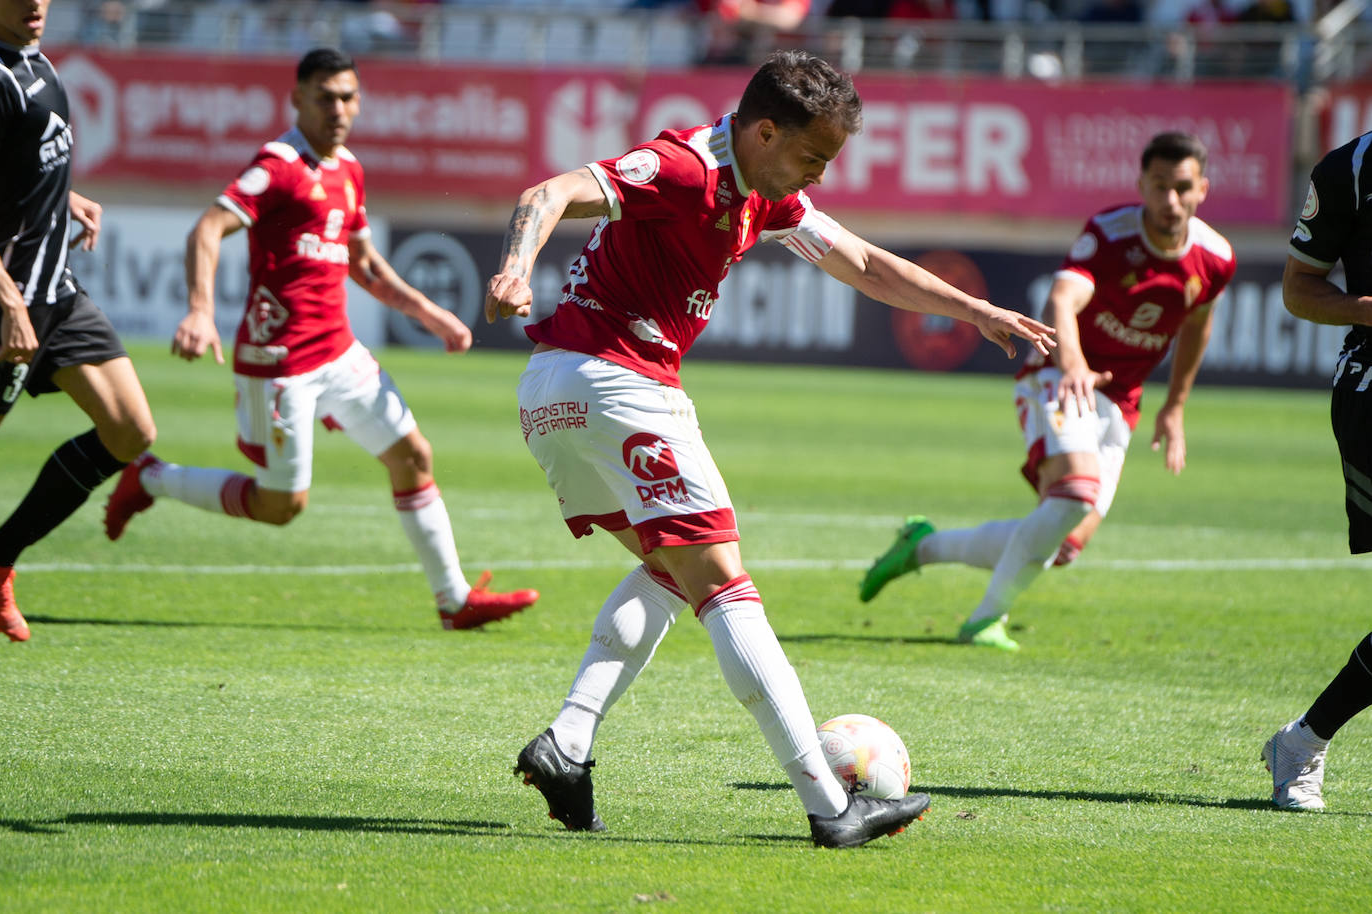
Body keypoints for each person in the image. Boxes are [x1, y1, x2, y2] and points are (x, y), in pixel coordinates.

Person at [484, 49, 1055, 847]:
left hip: (556, 395)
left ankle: (567, 746)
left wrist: (974, 309)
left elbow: (859, 260)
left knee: (672, 571)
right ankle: (832, 806)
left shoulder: (765, 196)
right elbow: (548, 192)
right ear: (761, 132)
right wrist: (515, 270)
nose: (818, 176)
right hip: (617, 383)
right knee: (722, 583)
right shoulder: (683, 167)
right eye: (813, 157)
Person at [102, 47, 537, 631]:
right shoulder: (278, 165)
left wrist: (432, 316)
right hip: (280, 364)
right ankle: (151, 476)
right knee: (282, 507)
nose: (339, 108)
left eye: (348, 96)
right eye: (326, 96)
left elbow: (365, 265)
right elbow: (208, 227)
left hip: (339, 352)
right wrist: (200, 310)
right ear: (298, 99)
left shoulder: (348, 169)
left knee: (413, 456)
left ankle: (454, 600)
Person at [859, 131, 1236, 651]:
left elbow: (1197, 326)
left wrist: (1174, 405)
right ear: (1140, 185)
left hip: (1120, 401)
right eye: (1158, 186)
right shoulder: (1110, 233)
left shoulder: (1216, 258)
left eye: (1182, 187)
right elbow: (1063, 297)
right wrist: (1074, 363)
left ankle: (920, 547)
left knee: (1061, 544)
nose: (1170, 200)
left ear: (1202, 190)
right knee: (1075, 495)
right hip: (1056, 376)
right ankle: (984, 622)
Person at [0, 0, 157, 643]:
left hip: (55, 295)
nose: (36, 2)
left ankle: (1, 559)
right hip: (8, 298)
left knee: (129, 431)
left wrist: (65, 197)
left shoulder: (36, 63)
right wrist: (7, 302)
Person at [1262, 129, 1372, 810]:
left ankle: (1301, 741)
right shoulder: (1351, 171)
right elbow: (1300, 289)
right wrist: (1365, 309)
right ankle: (1302, 746)